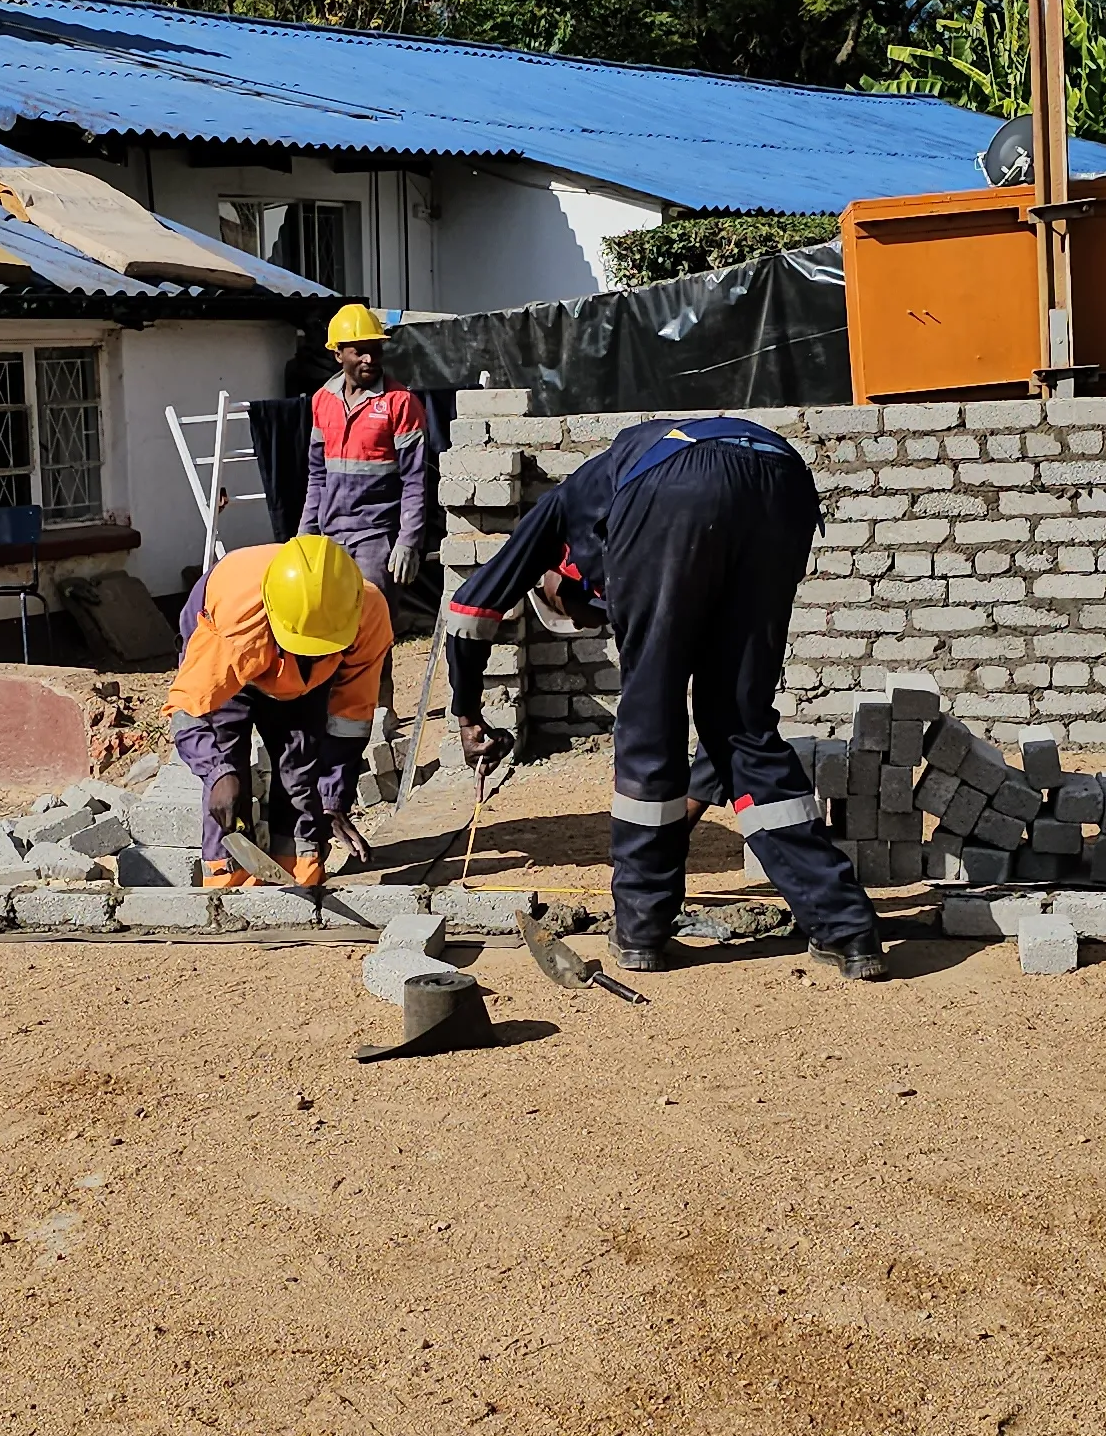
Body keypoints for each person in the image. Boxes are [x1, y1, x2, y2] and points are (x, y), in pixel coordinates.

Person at [439, 417, 885, 980]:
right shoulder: (614, 505)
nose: (594, 617)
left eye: (582, 609)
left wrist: (466, 712)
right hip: (782, 482)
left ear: (557, 575)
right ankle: (846, 929)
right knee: (741, 721)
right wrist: (687, 806)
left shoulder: (559, 513)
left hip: (674, 484)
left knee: (650, 717)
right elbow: (724, 739)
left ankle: (643, 928)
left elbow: (470, 609)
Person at [165, 534, 389, 888]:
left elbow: (351, 715)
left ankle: (301, 877)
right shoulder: (235, 621)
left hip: (306, 681)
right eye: (304, 645)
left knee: (300, 770)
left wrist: (333, 799)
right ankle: (227, 888)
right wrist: (217, 772)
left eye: (320, 646)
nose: (311, 652)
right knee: (228, 786)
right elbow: (190, 709)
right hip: (235, 657)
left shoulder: (367, 613)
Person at [295, 302, 435, 589]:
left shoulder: (401, 403)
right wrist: (306, 532)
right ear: (338, 354)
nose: (370, 358)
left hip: (377, 537)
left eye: (375, 349)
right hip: (330, 535)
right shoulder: (322, 401)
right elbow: (317, 474)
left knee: (373, 613)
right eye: (359, 351)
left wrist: (408, 541)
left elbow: (415, 479)